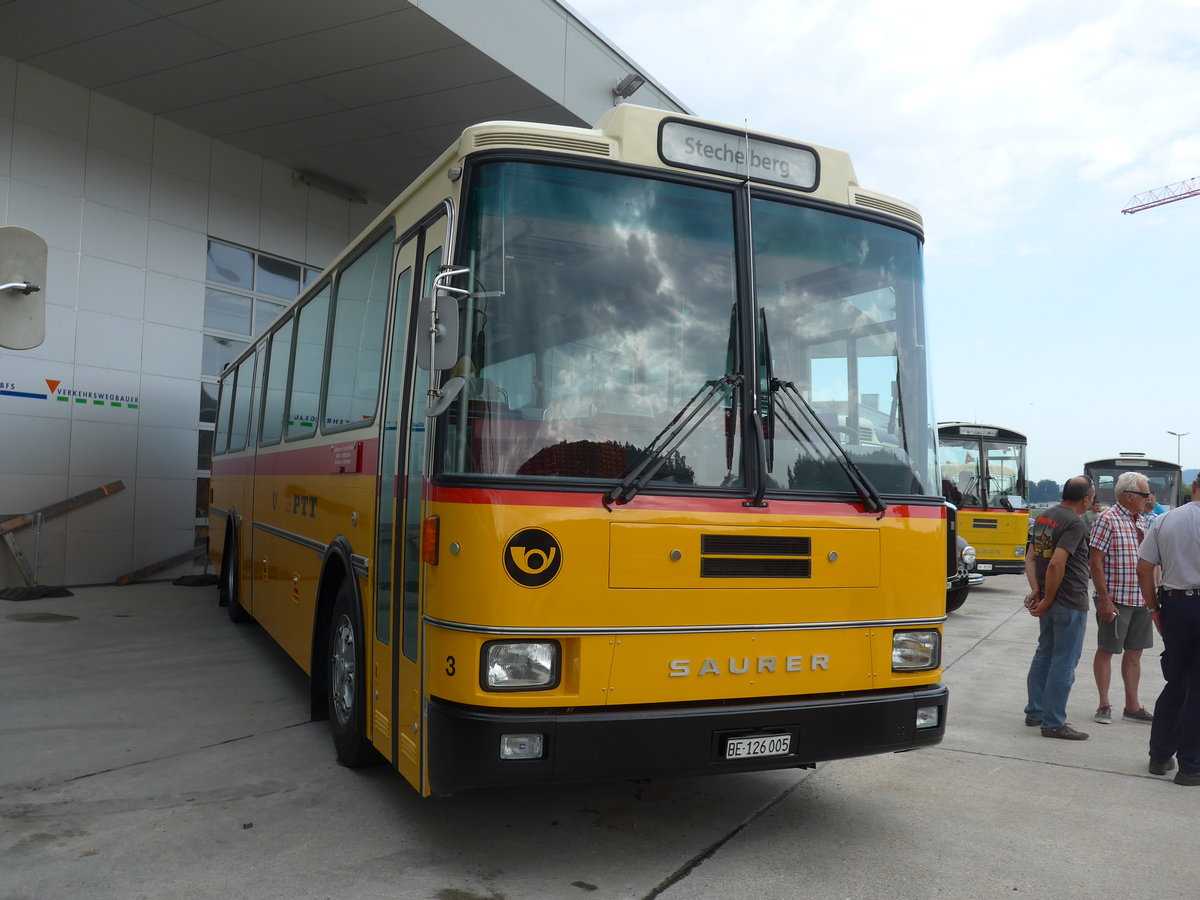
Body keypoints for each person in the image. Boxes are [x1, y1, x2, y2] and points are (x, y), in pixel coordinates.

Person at [1136, 472, 1200, 785]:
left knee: (1176, 682)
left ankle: (1160, 755)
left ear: (1195, 487)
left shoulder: (1164, 520)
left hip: (1175, 605)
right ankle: (1191, 766)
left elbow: (1144, 567)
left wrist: (1153, 609)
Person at [1024, 475, 1095, 740]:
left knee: (1045, 653)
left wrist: (1037, 591)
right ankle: (1053, 723)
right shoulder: (1074, 523)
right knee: (1064, 661)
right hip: (1068, 600)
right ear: (1086, 499)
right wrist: (1049, 599)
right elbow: (1056, 563)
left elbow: (1031, 556)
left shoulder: (1045, 516)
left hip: (1049, 597)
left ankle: (1036, 710)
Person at [1088, 472, 1155, 726]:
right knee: (1108, 649)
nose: (1148, 498)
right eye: (1144, 494)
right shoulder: (1107, 519)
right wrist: (1104, 599)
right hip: (1116, 597)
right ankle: (1104, 704)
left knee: (1135, 652)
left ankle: (1132, 705)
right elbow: (1095, 561)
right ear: (1128, 496)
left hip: (1141, 598)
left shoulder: (1144, 521)